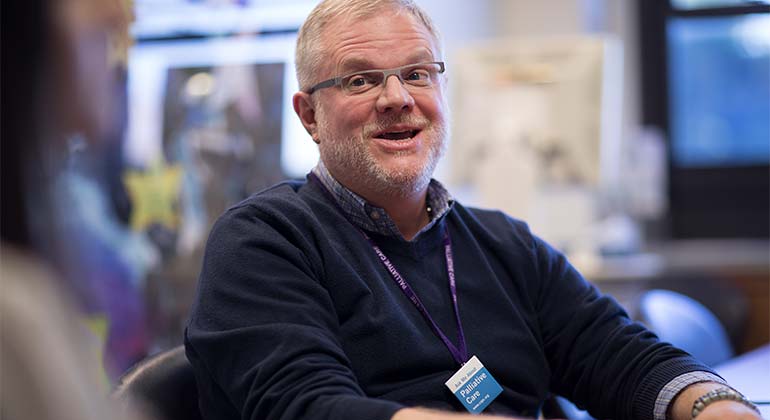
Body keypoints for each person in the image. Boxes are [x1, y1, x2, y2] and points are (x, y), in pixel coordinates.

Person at [184, 1, 763, 419]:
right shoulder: (264, 241)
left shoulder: (502, 243)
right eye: (361, 80)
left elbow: (619, 355)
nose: (397, 98)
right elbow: (304, 407)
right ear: (309, 115)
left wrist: (715, 406)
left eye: (416, 73)